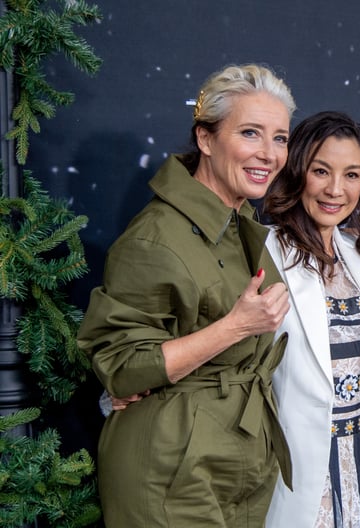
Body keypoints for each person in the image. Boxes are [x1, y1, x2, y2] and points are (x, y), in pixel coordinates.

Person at [76, 64, 295, 527]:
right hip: (171, 467)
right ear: (206, 138)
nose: (269, 153)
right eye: (251, 133)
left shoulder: (238, 224)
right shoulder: (153, 238)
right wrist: (236, 326)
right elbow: (121, 367)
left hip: (238, 459)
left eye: (279, 138)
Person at [262, 111, 360, 527]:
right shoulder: (264, 252)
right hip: (294, 458)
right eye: (321, 171)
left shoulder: (359, 254)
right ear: (296, 171)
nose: (336, 189)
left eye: (352, 175)